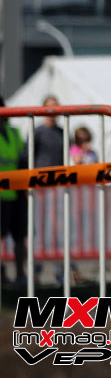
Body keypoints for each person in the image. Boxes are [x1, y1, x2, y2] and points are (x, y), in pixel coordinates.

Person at [0, 95, 27, 286]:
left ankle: (20, 274)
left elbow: (23, 159)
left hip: (17, 191)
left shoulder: (14, 132)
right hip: (1, 194)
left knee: (20, 236)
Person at [33, 95, 65, 168]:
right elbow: (28, 156)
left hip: (60, 172)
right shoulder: (36, 132)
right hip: (40, 173)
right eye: (49, 107)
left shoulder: (63, 132)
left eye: (55, 107)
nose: (52, 110)